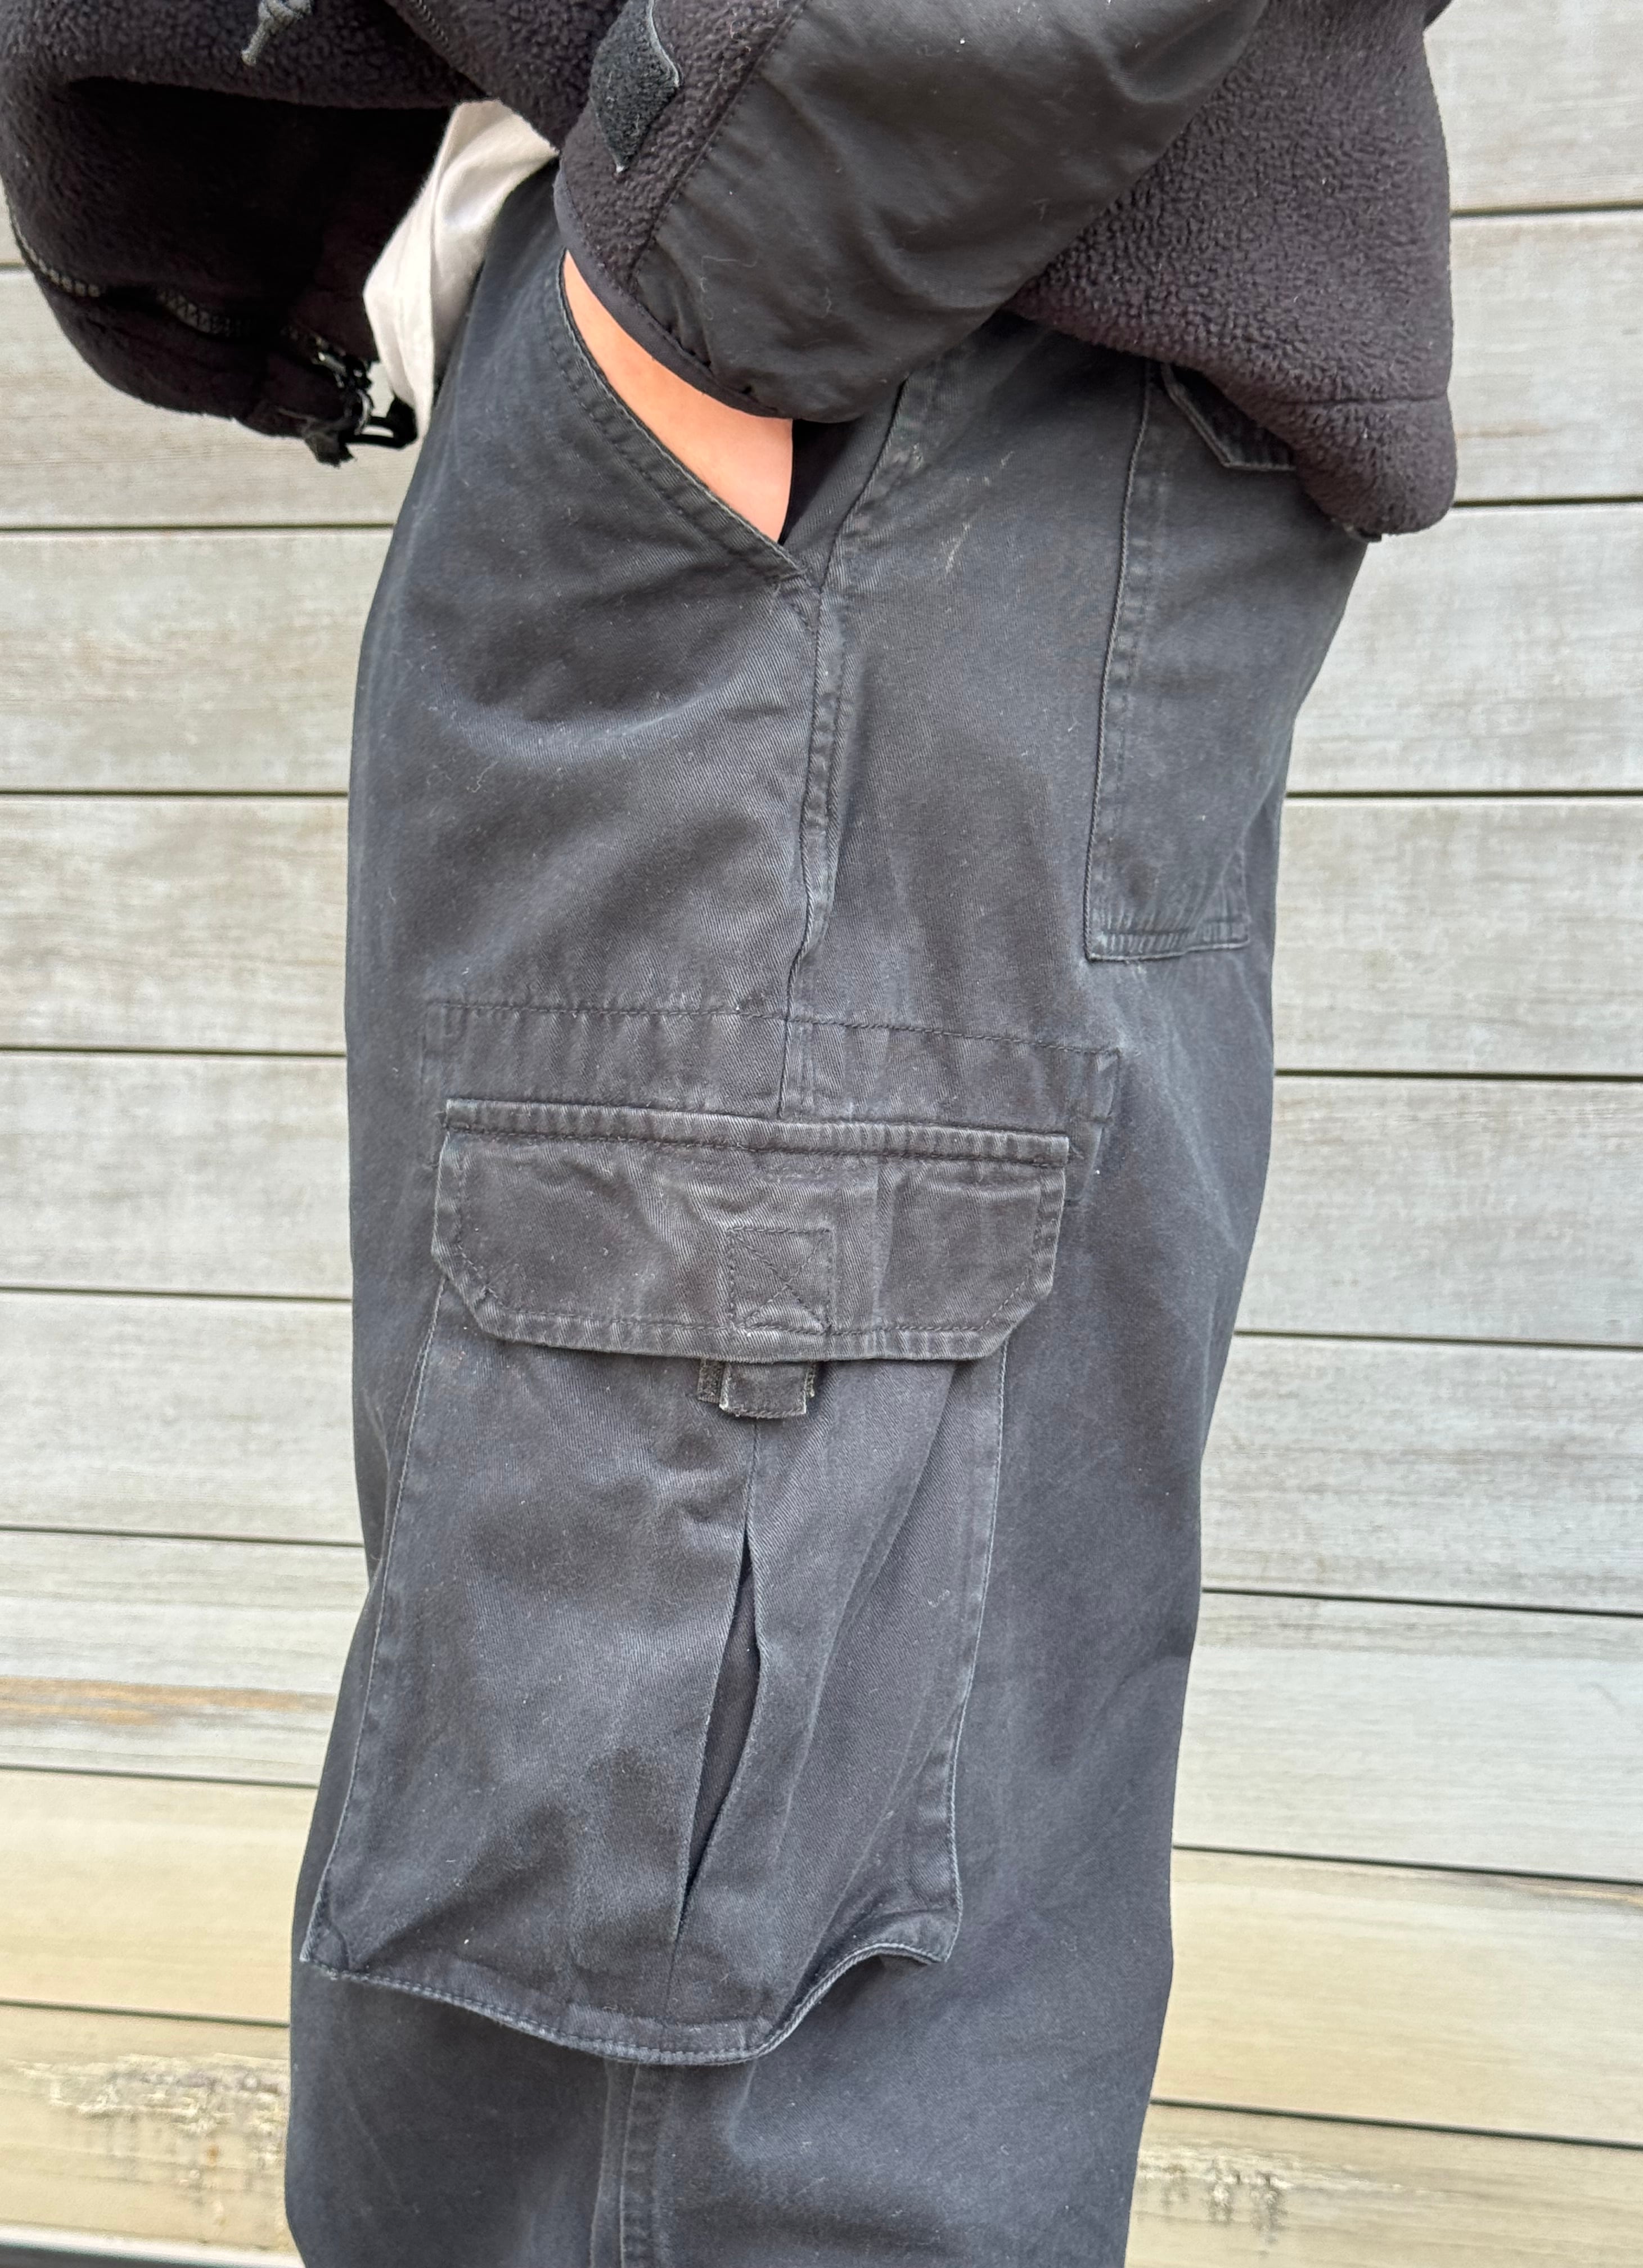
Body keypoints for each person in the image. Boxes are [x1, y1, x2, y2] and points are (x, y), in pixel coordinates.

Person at [1, 3, 1460, 2261]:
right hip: (835, 354)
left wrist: (731, 239)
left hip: (848, 355)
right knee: (807, 1826)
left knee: (671, 2030)